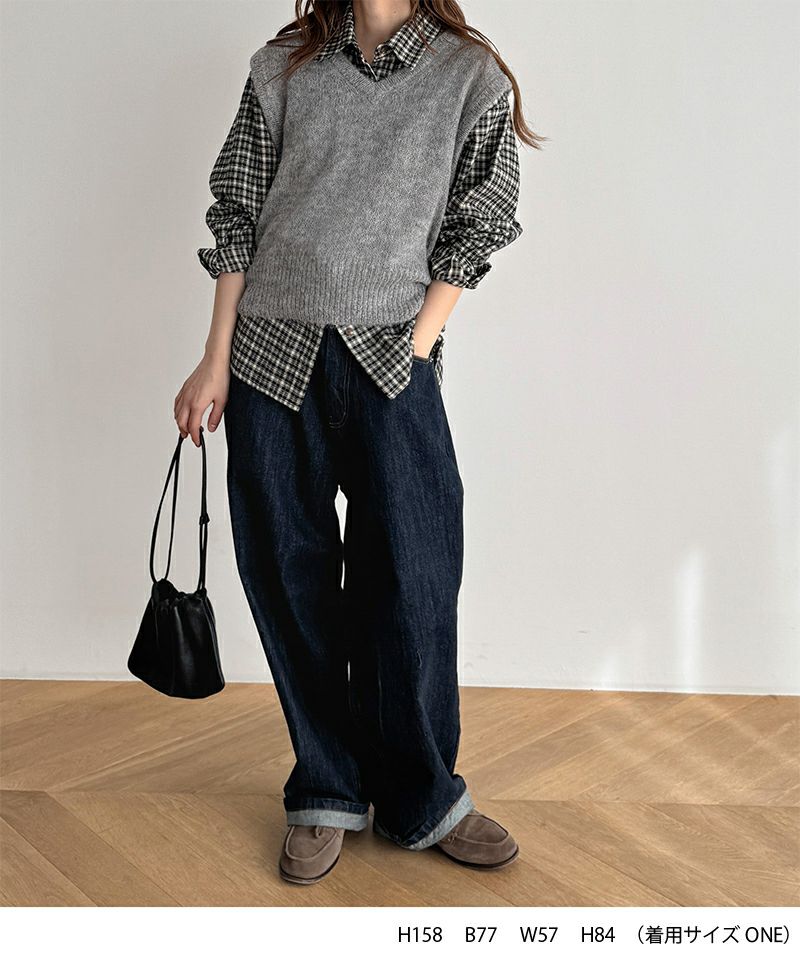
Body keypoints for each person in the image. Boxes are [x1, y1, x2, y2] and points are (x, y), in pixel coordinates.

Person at [175, 0, 543, 885]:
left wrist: (415, 344)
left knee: (415, 580)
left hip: (391, 363)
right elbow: (238, 210)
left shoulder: (468, 75)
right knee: (290, 578)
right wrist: (213, 359)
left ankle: (424, 796)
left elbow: (481, 219)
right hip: (270, 356)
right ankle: (326, 788)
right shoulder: (284, 65)